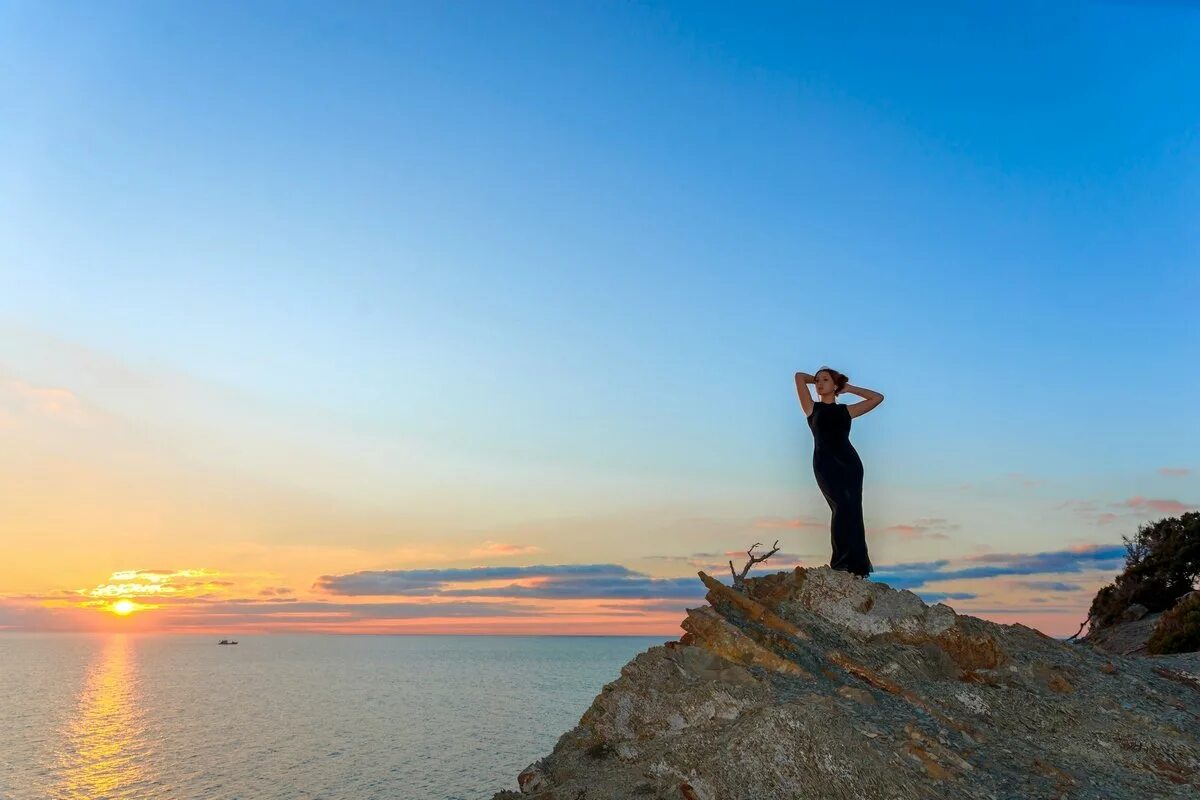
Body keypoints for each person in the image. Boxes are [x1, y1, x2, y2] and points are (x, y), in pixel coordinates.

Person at [794, 367, 885, 579]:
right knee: (840, 508)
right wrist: (820, 379)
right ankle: (840, 563)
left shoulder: (846, 411)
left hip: (850, 465)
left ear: (834, 386)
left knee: (853, 511)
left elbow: (877, 398)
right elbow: (799, 377)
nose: (819, 384)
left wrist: (846, 386)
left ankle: (857, 566)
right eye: (817, 381)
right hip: (825, 465)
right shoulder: (811, 408)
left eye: (825, 380)